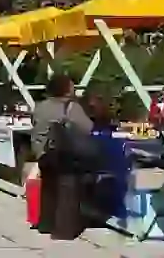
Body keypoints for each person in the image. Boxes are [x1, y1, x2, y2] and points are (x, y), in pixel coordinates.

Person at [30, 73, 97, 240]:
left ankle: (45, 224)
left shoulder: (40, 106)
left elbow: (36, 125)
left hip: (43, 153)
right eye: (72, 85)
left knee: (48, 190)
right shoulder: (71, 107)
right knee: (68, 192)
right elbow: (88, 128)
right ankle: (63, 230)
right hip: (64, 154)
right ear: (66, 90)